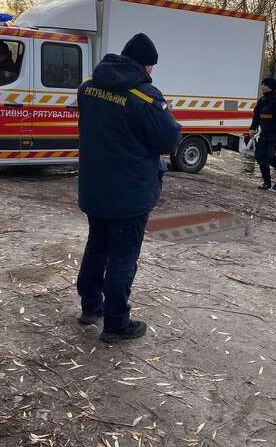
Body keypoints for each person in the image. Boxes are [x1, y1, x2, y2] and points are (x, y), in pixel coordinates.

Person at [76, 33, 182, 343]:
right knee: (122, 257)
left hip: (95, 187)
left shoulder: (88, 88)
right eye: (151, 67)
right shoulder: (145, 97)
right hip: (129, 192)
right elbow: (168, 139)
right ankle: (116, 324)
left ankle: (90, 307)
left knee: (97, 247)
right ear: (146, 66)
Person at [248, 76, 276, 191]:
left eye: (265, 85)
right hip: (264, 134)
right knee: (260, 157)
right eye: (262, 84)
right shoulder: (262, 101)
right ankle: (266, 182)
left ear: (271, 87)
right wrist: (252, 128)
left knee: (272, 158)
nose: (262, 86)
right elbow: (256, 116)